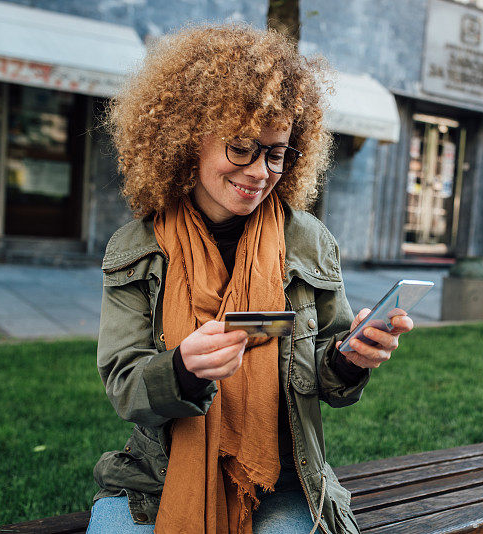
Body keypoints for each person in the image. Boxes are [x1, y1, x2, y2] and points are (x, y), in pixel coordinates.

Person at [87, 24, 413, 534]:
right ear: (188, 139)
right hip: (157, 483)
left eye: (277, 153)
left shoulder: (309, 242)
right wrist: (182, 371)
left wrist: (348, 360)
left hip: (282, 480)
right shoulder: (136, 250)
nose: (261, 171)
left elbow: (327, 379)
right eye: (242, 148)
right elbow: (127, 390)